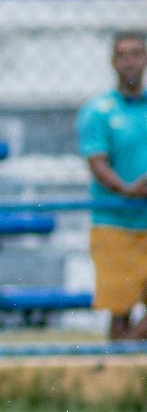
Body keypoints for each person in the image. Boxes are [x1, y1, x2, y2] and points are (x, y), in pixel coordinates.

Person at [77, 32, 147, 340]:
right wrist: (127, 189)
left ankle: (120, 367)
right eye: (123, 54)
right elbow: (97, 162)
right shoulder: (98, 110)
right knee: (120, 311)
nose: (129, 61)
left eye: (136, 54)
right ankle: (118, 377)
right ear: (112, 61)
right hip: (114, 221)